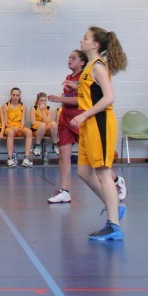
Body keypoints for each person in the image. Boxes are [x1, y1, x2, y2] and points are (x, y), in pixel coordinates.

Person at [70, 26, 128, 241]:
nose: (81, 40)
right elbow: (91, 94)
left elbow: (108, 97)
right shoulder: (89, 66)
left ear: (95, 44)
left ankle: (114, 226)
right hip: (89, 125)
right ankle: (114, 206)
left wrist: (84, 115)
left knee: (103, 173)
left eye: (85, 38)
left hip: (100, 123)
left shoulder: (99, 67)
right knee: (84, 172)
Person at [47, 50, 86, 203]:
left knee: (92, 157)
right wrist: (61, 99)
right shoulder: (69, 77)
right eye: (69, 57)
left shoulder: (84, 78)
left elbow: (82, 100)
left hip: (79, 120)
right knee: (64, 156)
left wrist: (59, 99)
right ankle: (64, 191)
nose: (70, 60)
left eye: (73, 58)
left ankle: (115, 181)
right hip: (65, 120)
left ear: (82, 62)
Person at [3, 87, 34, 167]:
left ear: (19, 96)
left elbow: (23, 119)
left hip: (19, 127)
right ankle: (10, 158)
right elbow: (5, 122)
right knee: (10, 132)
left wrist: (21, 127)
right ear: (11, 95)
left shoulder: (23, 106)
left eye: (17, 95)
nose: (15, 97)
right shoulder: (5, 106)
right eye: (13, 95)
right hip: (10, 127)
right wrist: (12, 127)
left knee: (29, 132)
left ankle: (26, 158)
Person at [30, 92, 58, 162]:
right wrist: (42, 123)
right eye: (41, 100)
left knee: (53, 124)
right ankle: (37, 145)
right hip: (37, 130)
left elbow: (48, 122)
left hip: (47, 129)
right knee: (43, 125)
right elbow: (33, 122)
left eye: (45, 101)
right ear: (38, 101)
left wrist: (43, 111)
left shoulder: (49, 109)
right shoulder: (34, 108)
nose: (43, 102)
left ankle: (55, 144)